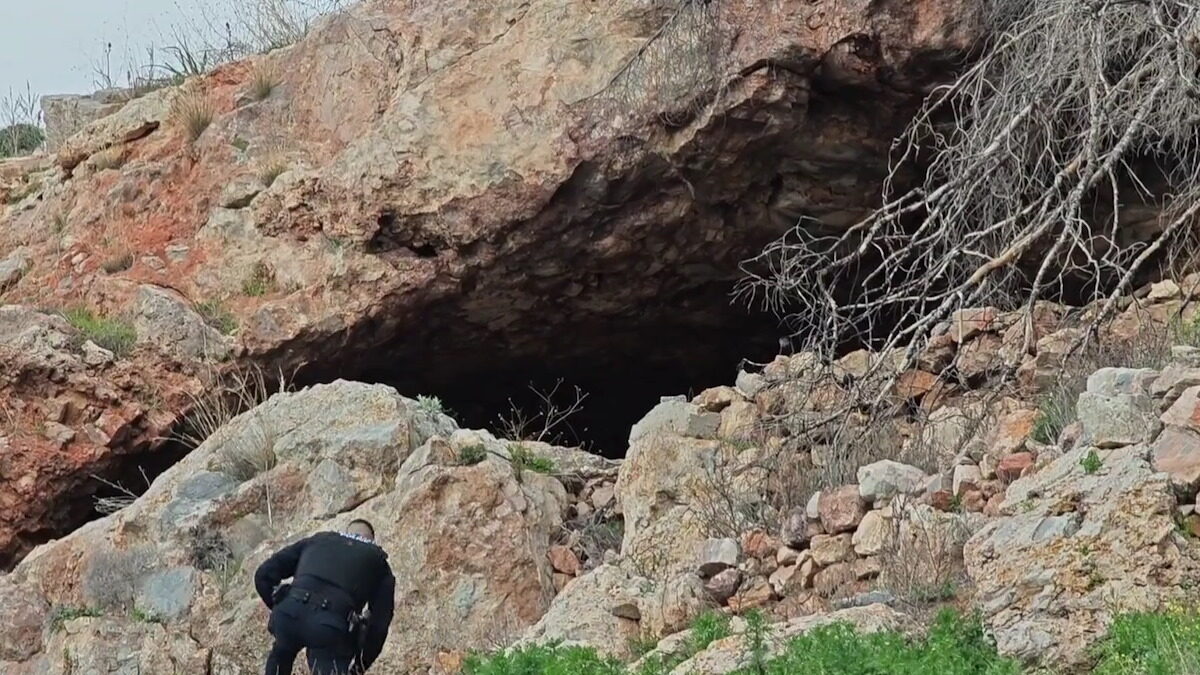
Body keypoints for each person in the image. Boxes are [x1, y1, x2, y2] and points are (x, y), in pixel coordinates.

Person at [255, 519, 396, 674]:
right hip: (328, 628)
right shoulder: (378, 562)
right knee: (329, 656)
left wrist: (278, 604)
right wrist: (360, 665)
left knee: (281, 652)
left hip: (288, 615)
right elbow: (379, 625)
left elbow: (262, 575)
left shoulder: (318, 540)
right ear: (371, 541)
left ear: (346, 532)